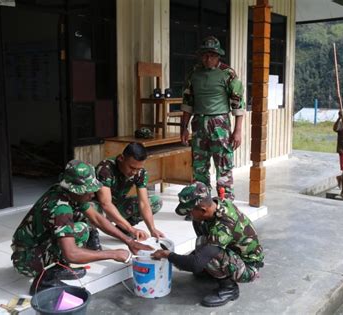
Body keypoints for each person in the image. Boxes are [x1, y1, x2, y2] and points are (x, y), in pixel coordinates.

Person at [11, 160, 152, 293]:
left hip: (38, 243)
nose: (92, 194)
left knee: (83, 226)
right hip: (27, 259)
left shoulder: (67, 192)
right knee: (79, 232)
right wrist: (114, 254)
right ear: (75, 190)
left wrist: (129, 241)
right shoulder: (60, 208)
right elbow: (72, 254)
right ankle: (45, 279)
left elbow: (97, 219)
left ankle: (58, 266)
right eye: (88, 190)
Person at [152, 182, 264, 307]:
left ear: (203, 209)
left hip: (248, 267)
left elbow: (195, 264)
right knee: (201, 235)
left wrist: (168, 255)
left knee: (207, 254)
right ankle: (213, 270)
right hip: (233, 252)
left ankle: (229, 288)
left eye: (190, 211)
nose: (189, 215)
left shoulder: (223, 227)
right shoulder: (215, 205)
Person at [180, 35, 245, 203]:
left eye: (211, 55)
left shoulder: (227, 73)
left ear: (218, 56)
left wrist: (237, 131)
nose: (207, 58)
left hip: (219, 124)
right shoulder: (194, 73)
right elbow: (188, 102)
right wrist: (184, 127)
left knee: (223, 163)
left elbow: (238, 103)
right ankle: (202, 202)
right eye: (205, 55)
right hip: (199, 123)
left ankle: (225, 203)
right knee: (199, 165)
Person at [95, 142, 164, 240]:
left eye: (138, 168)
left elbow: (143, 203)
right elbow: (105, 204)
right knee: (89, 209)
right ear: (121, 158)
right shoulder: (105, 169)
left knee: (155, 201)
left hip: (117, 206)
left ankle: (122, 228)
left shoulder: (140, 172)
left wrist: (152, 229)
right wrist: (132, 229)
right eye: (131, 167)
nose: (134, 172)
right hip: (100, 209)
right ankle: (92, 233)